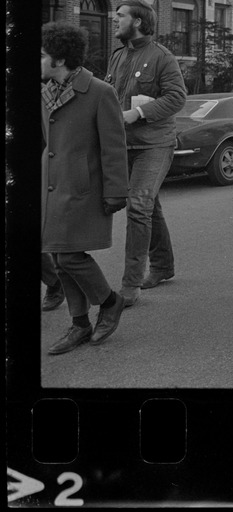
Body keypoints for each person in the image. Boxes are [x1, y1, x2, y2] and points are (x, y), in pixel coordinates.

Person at [42, 21, 129, 354]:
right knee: (60, 257)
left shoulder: (99, 93)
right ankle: (79, 324)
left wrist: (115, 191)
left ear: (60, 60)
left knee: (69, 256)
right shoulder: (45, 92)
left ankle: (109, 301)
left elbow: (114, 146)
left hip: (83, 187)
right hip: (53, 186)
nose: (38, 60)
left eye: (43, 55)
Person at [105, 0, 187, 307]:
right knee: (148, 205)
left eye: (121, 15)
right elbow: (109, 92)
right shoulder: (118, 56)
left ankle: (130, 286)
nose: (115, 20)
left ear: (137, 22)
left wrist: (138, 113)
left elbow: (177, 97)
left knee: (138, 205)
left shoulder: (162, 57)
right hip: (124, 143)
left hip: (155, 143)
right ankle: (163, 267)